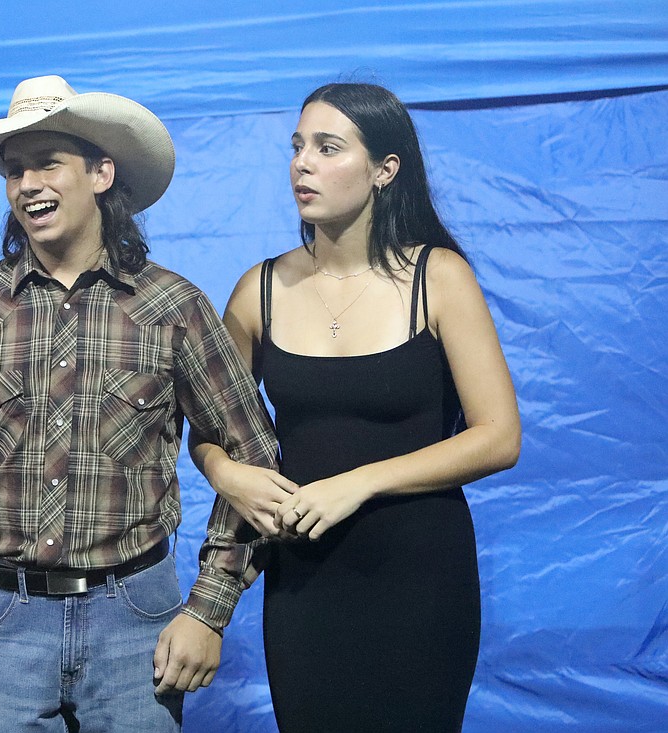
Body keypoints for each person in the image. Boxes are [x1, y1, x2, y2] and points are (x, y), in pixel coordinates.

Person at [0, 75, 287, 732]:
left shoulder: (171, 307)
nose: (27, 184)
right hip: (2, 620)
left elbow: (253, 450)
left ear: (102, 173)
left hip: (137, 617)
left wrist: (209, 609)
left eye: (47, 163)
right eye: (14, 170)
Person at [191, 83, 521, 731]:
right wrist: (225, 472)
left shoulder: (439, 277)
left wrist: (358, 483)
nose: (302, 163)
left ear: (384, 169)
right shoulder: (259, 289)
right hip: (305, 578)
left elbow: (499, 436)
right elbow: (208, 427)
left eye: (327, 147)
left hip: (421, 577)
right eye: (297, 146)